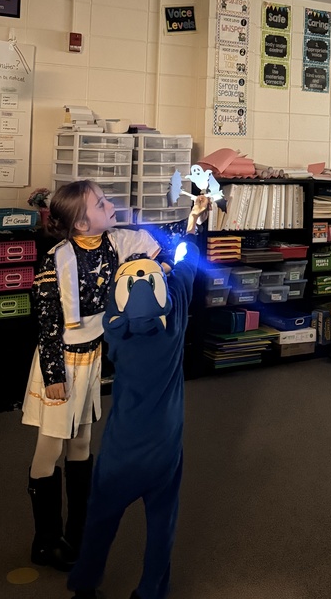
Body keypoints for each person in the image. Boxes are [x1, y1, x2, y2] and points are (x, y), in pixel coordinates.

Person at [67, 194, 210, 599]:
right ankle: (151, 591)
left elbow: (123, 300)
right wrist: (193, 225)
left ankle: (84, 584)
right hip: (164, 449)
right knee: (162, 526)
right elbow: (185, 262)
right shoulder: (175, 314)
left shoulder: (115, 331)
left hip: (121, 452)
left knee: (100, 519)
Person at [22, 180, 161, 571]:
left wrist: (197, 215)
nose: (110, 205)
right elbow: (48, 322)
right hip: (60, 365)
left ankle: (78, 533)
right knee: (50, 445)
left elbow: (154, 250)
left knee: (81, 441)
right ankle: (45, 542)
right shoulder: (57, 259)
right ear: (81, 224)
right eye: (101, 203)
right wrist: (53, 375)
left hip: (90, 360)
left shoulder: (115, 243)